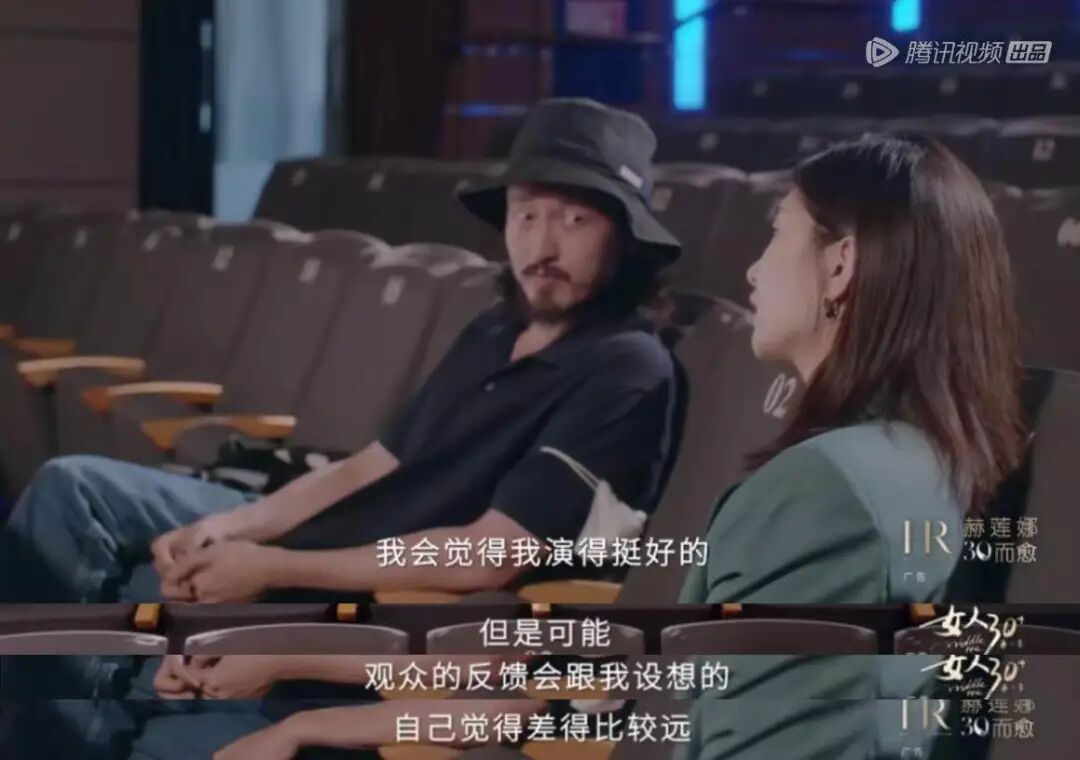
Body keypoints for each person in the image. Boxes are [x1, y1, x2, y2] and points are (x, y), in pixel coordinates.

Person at [0, 97, 681, 758]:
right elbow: (372, 462)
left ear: (626, 239)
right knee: (74, 492)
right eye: (526, 215)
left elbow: (488, 555)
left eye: (575, 220)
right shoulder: (495, 327)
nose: (542, 244)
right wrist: (238, 529)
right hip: (332, 544)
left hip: (379, 599)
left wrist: (272, 569)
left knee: (130, 663)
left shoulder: (627, 369)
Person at [677, 134, 1026, 759]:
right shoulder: (925, 458)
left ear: (840, 265)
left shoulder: (822, 492)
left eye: (777, 234)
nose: (753, 271)